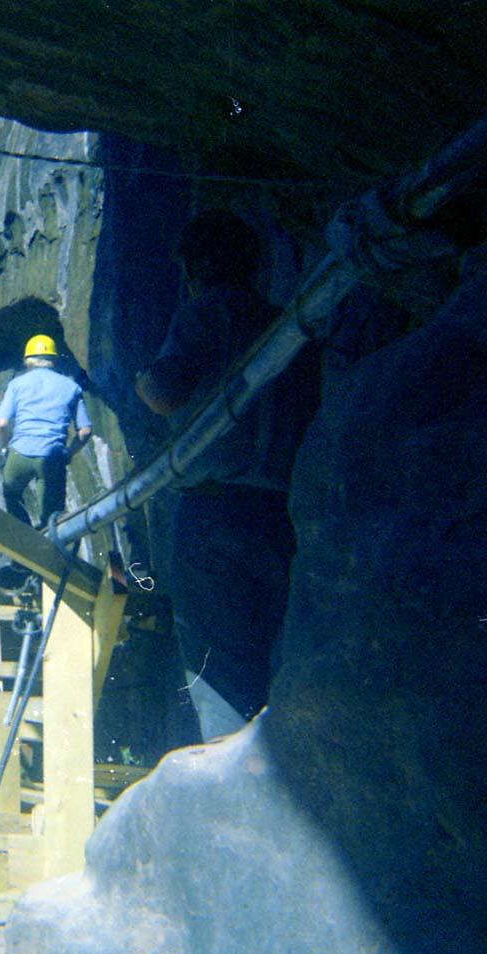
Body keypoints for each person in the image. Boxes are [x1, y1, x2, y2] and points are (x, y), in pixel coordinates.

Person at [135, 208, 315, 739]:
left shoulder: (204, 314)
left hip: (214, 510)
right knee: (274, 650)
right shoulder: (287, 323)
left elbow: (167, 392)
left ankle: (233, 766)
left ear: (195, 268)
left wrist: (143, 383)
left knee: (217, 667)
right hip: (281, 512)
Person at [0, 334, 92, 531]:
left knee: (11, 493)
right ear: (54, 360)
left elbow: (2, 424)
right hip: (52, 456)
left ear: (27, 360)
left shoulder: (17, 384)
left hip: (19, 454)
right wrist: (69, 454)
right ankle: (47, 538)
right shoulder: (71, 387)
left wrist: (5, 450)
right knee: (52, 520)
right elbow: (85, 431)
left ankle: (24, 536)